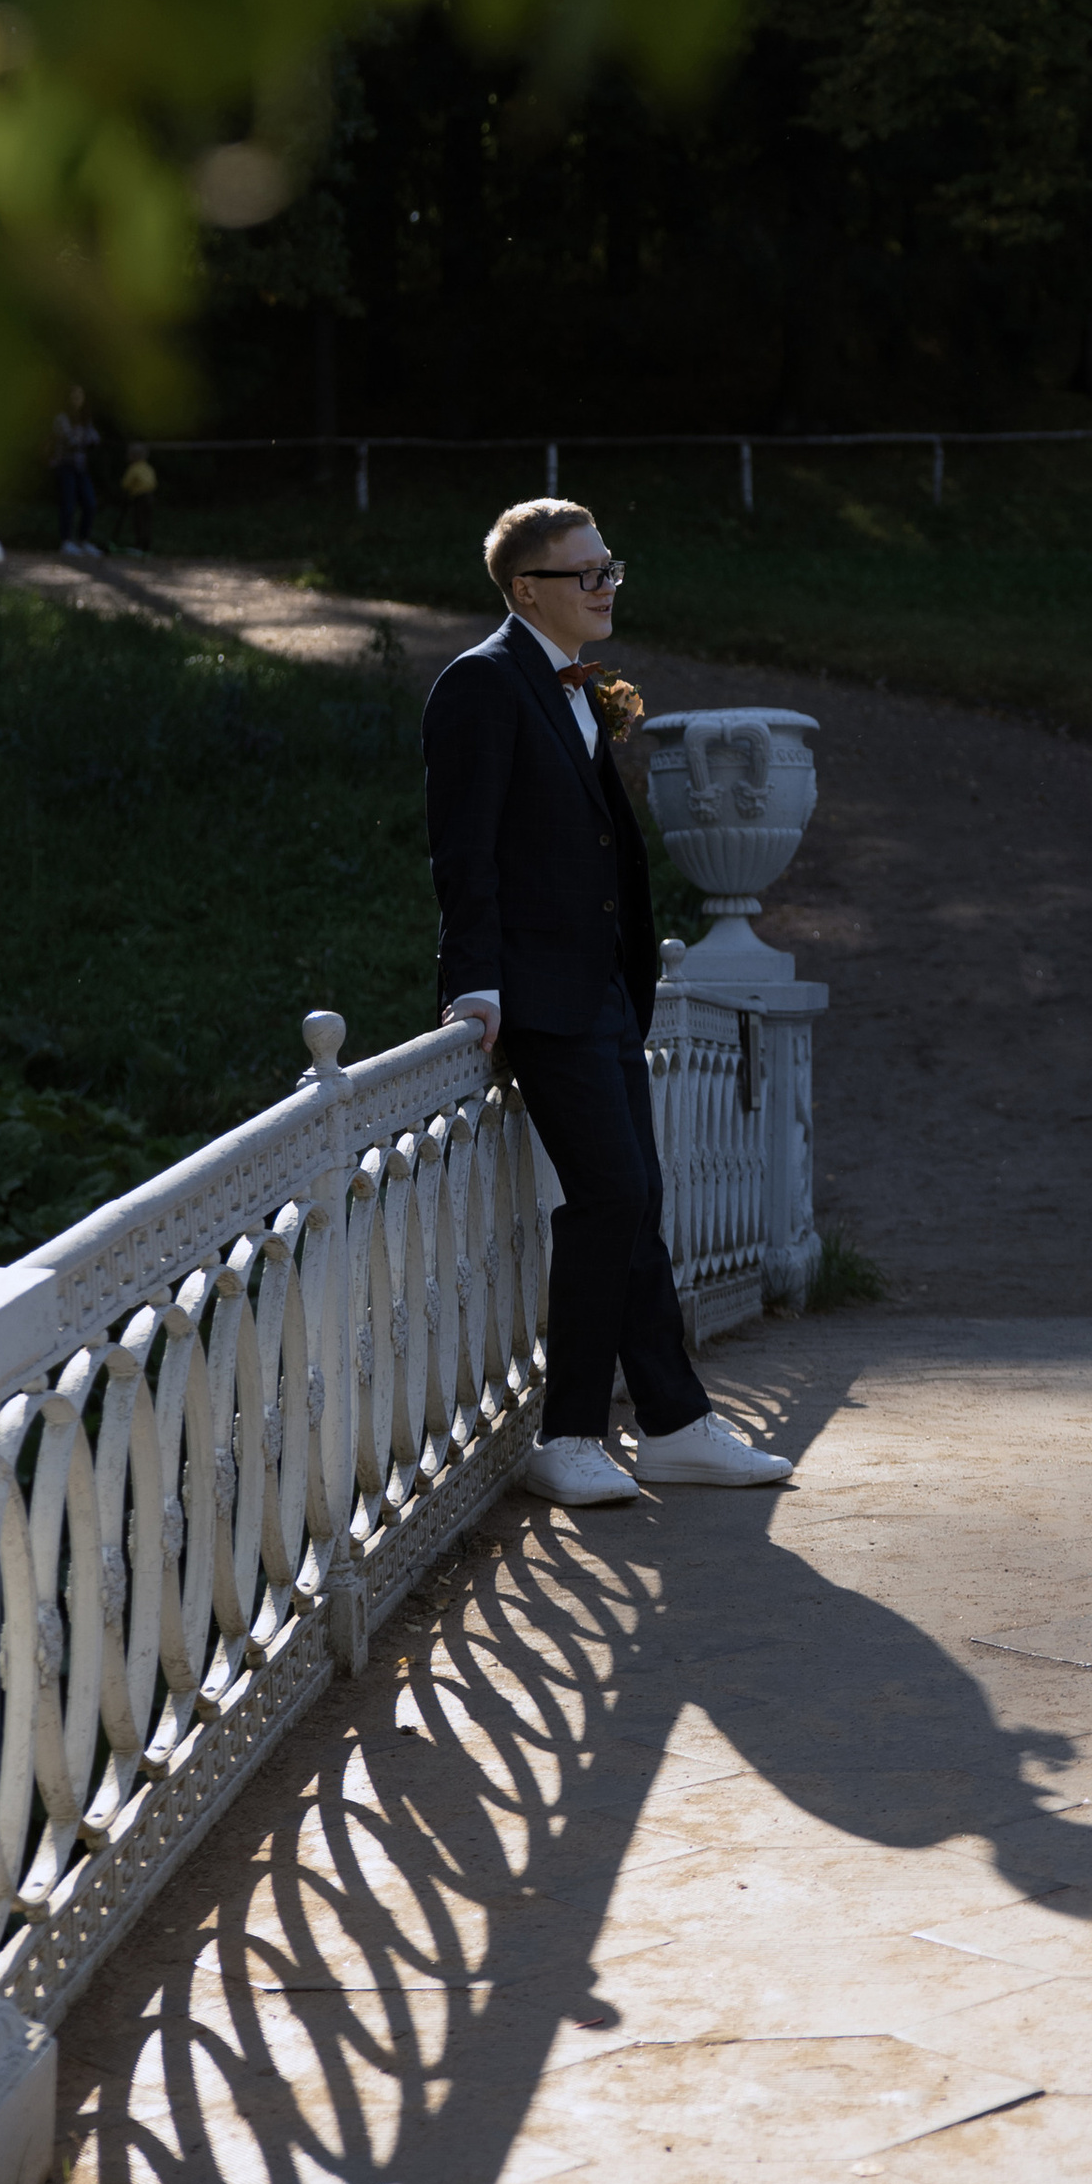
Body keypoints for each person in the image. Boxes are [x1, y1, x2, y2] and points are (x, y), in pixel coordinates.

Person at [423, 495, 793, 1508]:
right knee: (612, 1199)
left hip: (603, 990)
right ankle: (571, 1434)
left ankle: (672, 1426)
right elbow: (466, 847)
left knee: (640, 1201)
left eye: (610, 566)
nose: (606, 585)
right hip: (540, 994)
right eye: (585, 573)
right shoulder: (482, 683)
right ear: (526, 588)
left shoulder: (572, 686)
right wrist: (474, 982)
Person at [50, 385, 102, 555]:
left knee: (90, 503)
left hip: (81, 467)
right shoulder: (62, 418)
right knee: (68, 504)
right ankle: (66, 541)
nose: (77, 399)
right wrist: (85, 442)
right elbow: (71, 442)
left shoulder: (85, 419)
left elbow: (95, 438)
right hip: (65, 466)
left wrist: (86, 442)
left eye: (80, 396)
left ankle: (83, 541)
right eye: (74, 396)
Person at [119, 443, 158, 553]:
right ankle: (146, 547)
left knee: (138, 521)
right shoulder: (148, 467)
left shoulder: (134, 468)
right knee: (147, 522)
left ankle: (139, 547)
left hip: (140, 498)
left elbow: (125, 484)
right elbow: (153, 483)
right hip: (150, 497)